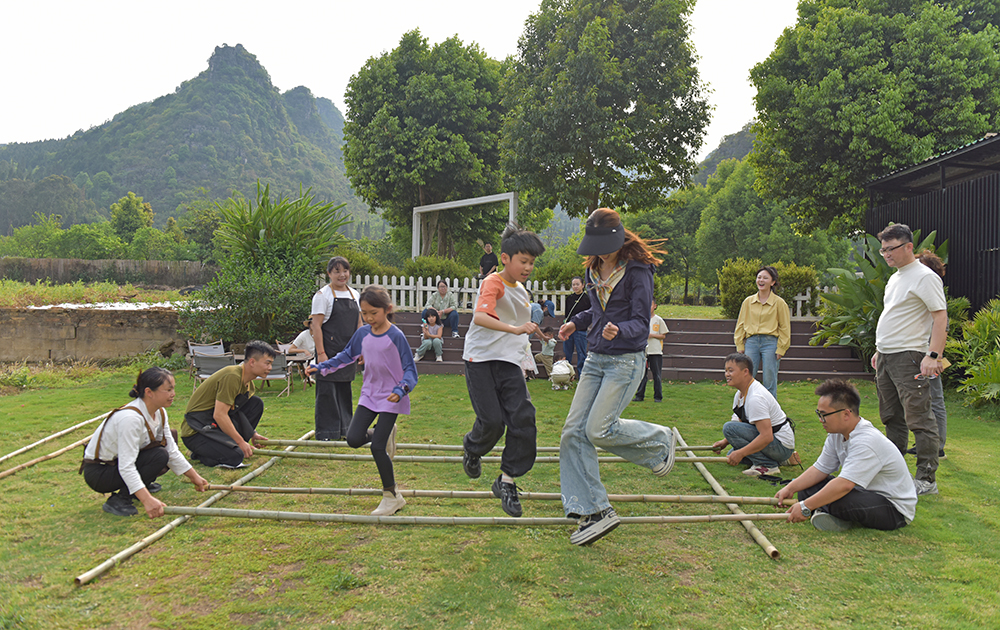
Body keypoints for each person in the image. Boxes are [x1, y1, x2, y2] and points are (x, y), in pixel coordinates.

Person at [558, 208, 677, 546]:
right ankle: (594, 510)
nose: (600, 253)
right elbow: (595, 312)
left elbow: (641, 322)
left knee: (598, 429)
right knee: (572, 433)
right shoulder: (593, 269)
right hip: (596, 359)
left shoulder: (638, 271)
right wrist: (575, 323)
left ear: (617, 239)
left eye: (604, 247)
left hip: (625, 361)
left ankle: (660, 440)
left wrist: (619, 330)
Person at [306, 286, 418, 516]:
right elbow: (347, 356)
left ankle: (392, 496)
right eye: (364, 313)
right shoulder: (363, 334)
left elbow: (410, 370)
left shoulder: (396, 336)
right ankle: (384, 432)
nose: (368, 318)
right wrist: (322, 367)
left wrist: (402, 389)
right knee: (354, 438)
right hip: (369, 393)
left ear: (387, 310)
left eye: (373, 313)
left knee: (378, 447)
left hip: (391, 396)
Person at [462, 223, 545, 518]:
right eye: (524, 261)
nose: (528, 268)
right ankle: (473, 448)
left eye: (532, 262)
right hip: (481, 360)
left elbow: (519, 323)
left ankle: (507, 480)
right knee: (492, 422)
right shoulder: (492, 282)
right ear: (505, 258)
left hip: (509, 362)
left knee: (524, 419)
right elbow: (481, 317)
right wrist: (515, 328)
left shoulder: (522, 291)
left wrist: (532, 332)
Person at [776, 379, 916, 532]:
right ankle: (831, 515)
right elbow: (820, 469)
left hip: (893, 509)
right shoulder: (836, 434)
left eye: (824, 415)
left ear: (846, 414)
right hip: (863, 494)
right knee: (806, 489)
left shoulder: (866, 441)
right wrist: (790, 488)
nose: (821, 420)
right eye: (819, 414)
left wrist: (806, 506)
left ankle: (831, 514)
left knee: (838, 498)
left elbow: (845, 485)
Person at [871, 223, 947, 496]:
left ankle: (926, 479)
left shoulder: (925, 277)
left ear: (909, 246)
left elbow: (940, 316)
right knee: (891, 417)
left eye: (891, 249)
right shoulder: (896, 278)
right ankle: (895, 473)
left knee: (919, 418)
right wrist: (880, 350)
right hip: (886, 356)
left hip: (910, 356)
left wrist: (933, 355)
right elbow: (896, 315)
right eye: (883, 250)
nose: (886, 255)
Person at [81, 368, 210, 518]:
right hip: (100, 473)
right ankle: (120, 499)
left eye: (173, 389)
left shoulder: (160, 412)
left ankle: (140, 487)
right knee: (158, 455)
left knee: (162, 452)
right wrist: (147, 500)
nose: (173, 394)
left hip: (118, 465)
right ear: (149, 392)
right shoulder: (131, 419)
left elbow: (171, 449)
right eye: (168, 390)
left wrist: (194, 477)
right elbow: (126, 466)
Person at [180, 340, 275, 468]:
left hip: (213, 423)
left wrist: (252, 434)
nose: (270, 368)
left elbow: (236, 413)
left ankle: (227, 446)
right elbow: (220, 415)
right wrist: (240, 442)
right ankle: (200, 453)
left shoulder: (248, 385)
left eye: (271, 364)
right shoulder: (232, 376)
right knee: (235, 456)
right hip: (196, 430)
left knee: (255, 404)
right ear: (252, 362)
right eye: (267, 363)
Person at [712, 352, 798, 477]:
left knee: (729, 429)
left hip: (780, 445)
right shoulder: (740, 394)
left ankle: (767, 465)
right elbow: (740, 423)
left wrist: (741, 453)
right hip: (774, 443)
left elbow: (767, 436)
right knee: (731, 454)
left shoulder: (755, 398)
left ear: (745, 372)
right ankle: (781, 461)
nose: (727, 374)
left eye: (731, 370)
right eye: (725, 371)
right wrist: (725, 442)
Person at [311, 256, 362, 441]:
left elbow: (359, 324)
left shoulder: (355, 294)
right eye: (337, 271)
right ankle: (326, 432)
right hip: (328, 349)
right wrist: (321, 353)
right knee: (327, 391)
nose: (342, 275)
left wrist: (361, 349)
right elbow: (316, 326)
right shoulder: (322, 295)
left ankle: (345, 429)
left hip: (348, 351)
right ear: (329, 274)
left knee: (344, 389)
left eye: (345, 271)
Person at [907, 250, 948, 459]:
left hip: (929, 357)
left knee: (935, 400)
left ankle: (938, 446)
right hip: (915, 355)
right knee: (921, 401)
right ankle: (924, 442)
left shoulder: (933, 290)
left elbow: (942, 326)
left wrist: (936, 357)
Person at [734, 265, 791, 400]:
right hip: (751, 342)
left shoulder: (779, 303)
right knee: (746, 378)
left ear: (772, 282)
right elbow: (740, 324)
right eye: (759, 277)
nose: (761, 280)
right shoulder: (748, 302)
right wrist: (740, 345)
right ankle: (744, 408)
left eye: (765, 278)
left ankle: (770, 410)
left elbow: (784, 328)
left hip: (771, 344)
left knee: (769, 380)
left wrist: (781, 348)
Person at [633, 301, 668, 403]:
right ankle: (639, 395)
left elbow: (663, 335)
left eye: (651, 305)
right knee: (642, 375)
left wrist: (652, 335)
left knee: (656, 374)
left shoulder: (658, 320)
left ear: (655, 306)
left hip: (655, 351)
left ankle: (658, 396)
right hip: (643, 351)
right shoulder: (641, 320)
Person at [562, 276, 591, 374]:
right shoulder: (569, 298)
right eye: (573, 284)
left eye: (577, 284)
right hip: (569, 329)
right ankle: (566, 373)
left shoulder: (587, 299)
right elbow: (567, 315)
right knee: (567, 353)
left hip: (581, 330)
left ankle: (581, 375)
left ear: (583, 285)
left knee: (581, 353)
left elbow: (589, 315)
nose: (575, 286)